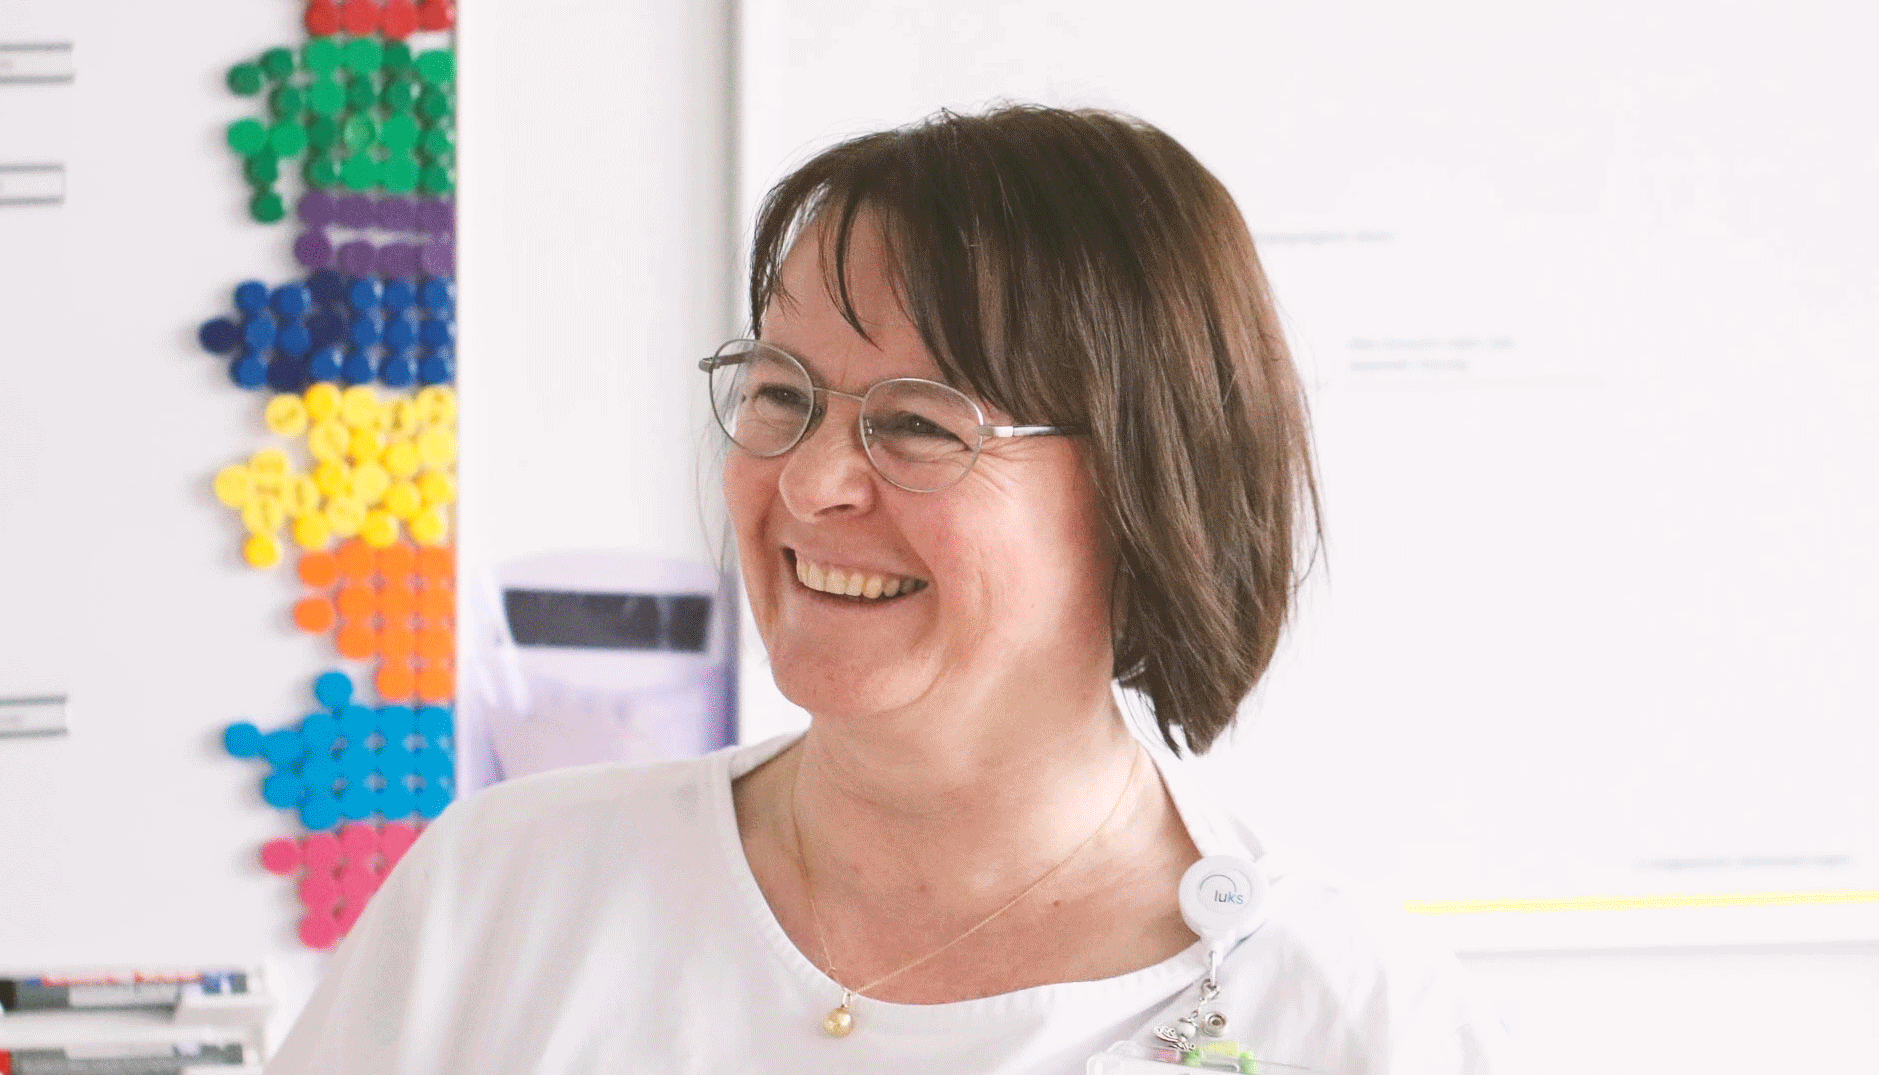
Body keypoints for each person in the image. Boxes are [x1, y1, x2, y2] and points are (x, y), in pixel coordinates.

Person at [268, 105, 1512, 1074]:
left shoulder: (1346, 1008)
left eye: (918, 424)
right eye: (777, 392)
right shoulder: (507, 892)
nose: (809, 484)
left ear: (1147, 480)